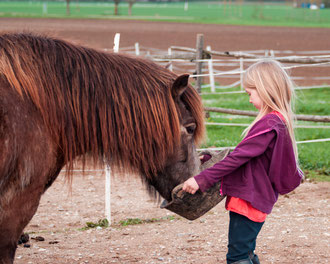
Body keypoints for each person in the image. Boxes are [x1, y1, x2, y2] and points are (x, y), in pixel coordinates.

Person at [182, 59, 303, 264]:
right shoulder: (276, 122)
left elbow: (239, 158)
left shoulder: (269, 124)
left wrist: (201, 179)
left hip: (249, 198)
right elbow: (246, 154)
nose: (249, 100)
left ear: (266, 90)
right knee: (245, 252)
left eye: (250, 93)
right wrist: (212, 159)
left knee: (237, 256)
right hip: (255, 196)